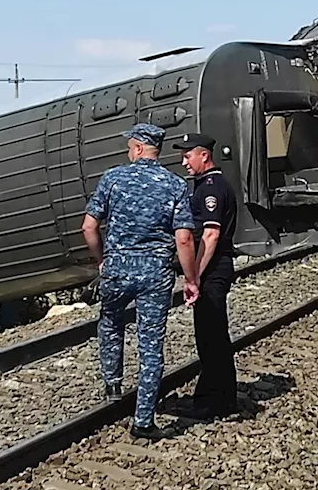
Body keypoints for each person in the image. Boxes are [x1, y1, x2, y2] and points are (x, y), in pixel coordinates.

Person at [82, 123, 200, 440]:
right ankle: (144, 421)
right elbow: (185, 239)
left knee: (110, 322)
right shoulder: (175, 185)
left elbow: (88, 227)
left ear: (136, 149)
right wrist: (191, 279)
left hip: (117, 268)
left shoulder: (112, 179)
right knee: (151, 347)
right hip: (155, 273)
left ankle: (113, 383)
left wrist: (101, 259)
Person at [173, 132, 239, 418]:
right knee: (213, 335)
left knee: (211, 336)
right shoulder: (205, 185)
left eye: (187, 156)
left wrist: (194, 276)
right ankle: (222, 397)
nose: (184, 162)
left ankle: (213, 401)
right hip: (213, 267)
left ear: (203, 156)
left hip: (212, 268)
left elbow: (210, 235)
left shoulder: (210, 189)